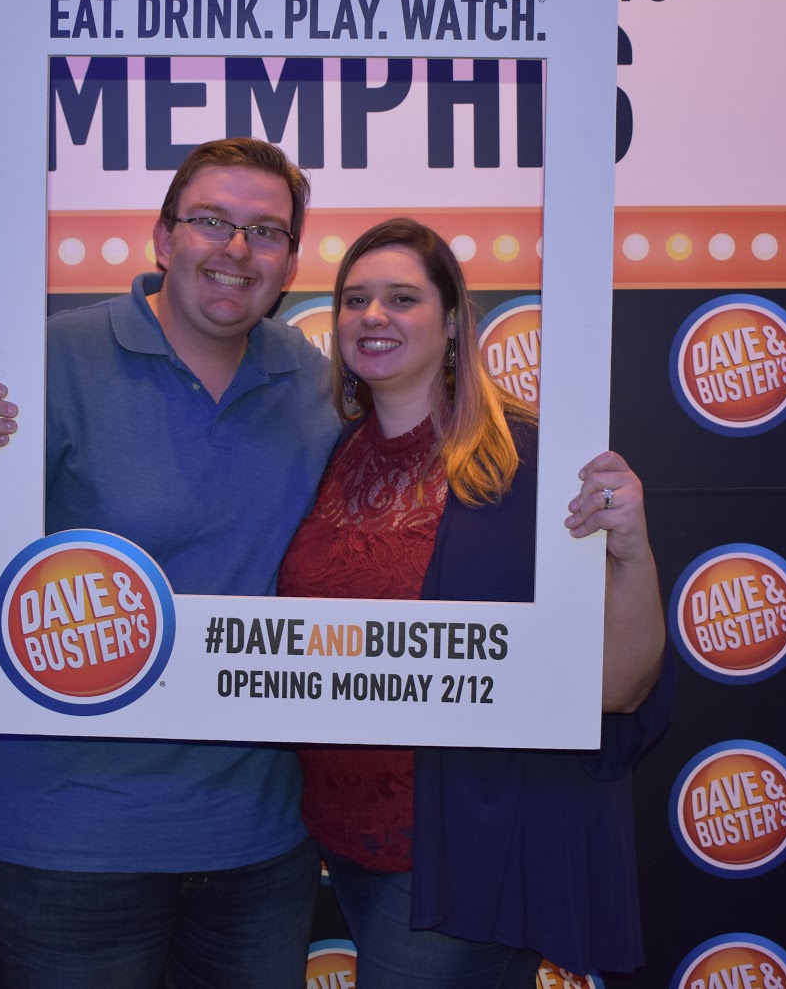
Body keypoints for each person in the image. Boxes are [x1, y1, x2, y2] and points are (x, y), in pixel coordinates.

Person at [0, 138, 342, 987]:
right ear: (162, 237)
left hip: (258, 840)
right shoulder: (55, 355)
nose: (237, 248)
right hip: (69, 840)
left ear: (291, 262)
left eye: (266, 231)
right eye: (211, 221)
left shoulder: (313, 380)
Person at [277, 218, 675, 986]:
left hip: (468, 850)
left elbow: (620, 687)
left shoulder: (530, 462)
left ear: (454, 320)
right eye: (355, 298)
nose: (373, 315)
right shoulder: (336, 455)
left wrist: (632, 552)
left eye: (402, 297)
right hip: (342, 838)